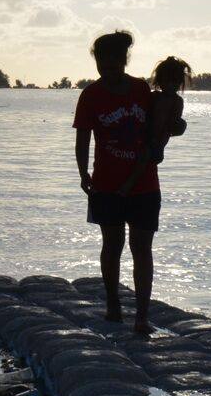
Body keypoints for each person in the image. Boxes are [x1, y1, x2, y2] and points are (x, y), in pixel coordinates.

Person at [72, 29, 177, 335]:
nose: (107, 67)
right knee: (112, 244)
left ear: (124, 60)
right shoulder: (90, 95)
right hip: (105, 183)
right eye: (101, 61)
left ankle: (142, 316)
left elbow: (165, 122)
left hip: (145, 185)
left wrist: (177, 126)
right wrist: (82, 174)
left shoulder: (142, 90)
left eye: (114, 61)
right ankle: (113, 304)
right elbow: (83, 138)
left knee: (142, 248)